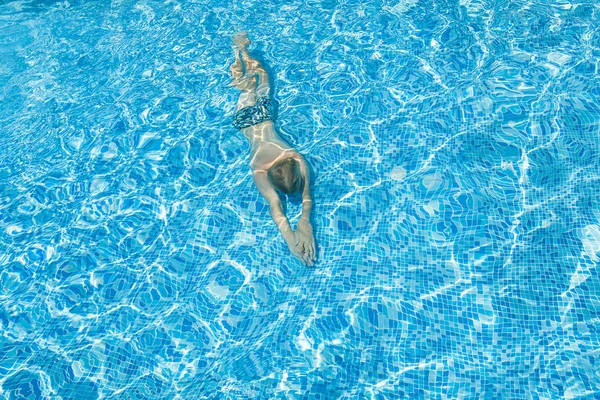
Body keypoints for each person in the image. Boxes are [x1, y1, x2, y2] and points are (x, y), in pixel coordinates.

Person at [229, 32, 316, 266]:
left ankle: (241, 51)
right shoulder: (258, 169)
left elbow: (287, 203)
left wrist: (298, 228)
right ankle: (238, 57)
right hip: (244, 121)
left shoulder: (293, 156)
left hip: (264, 116)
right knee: (245, 90)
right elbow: (277, 207)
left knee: (261, 78)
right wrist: (295, 231)